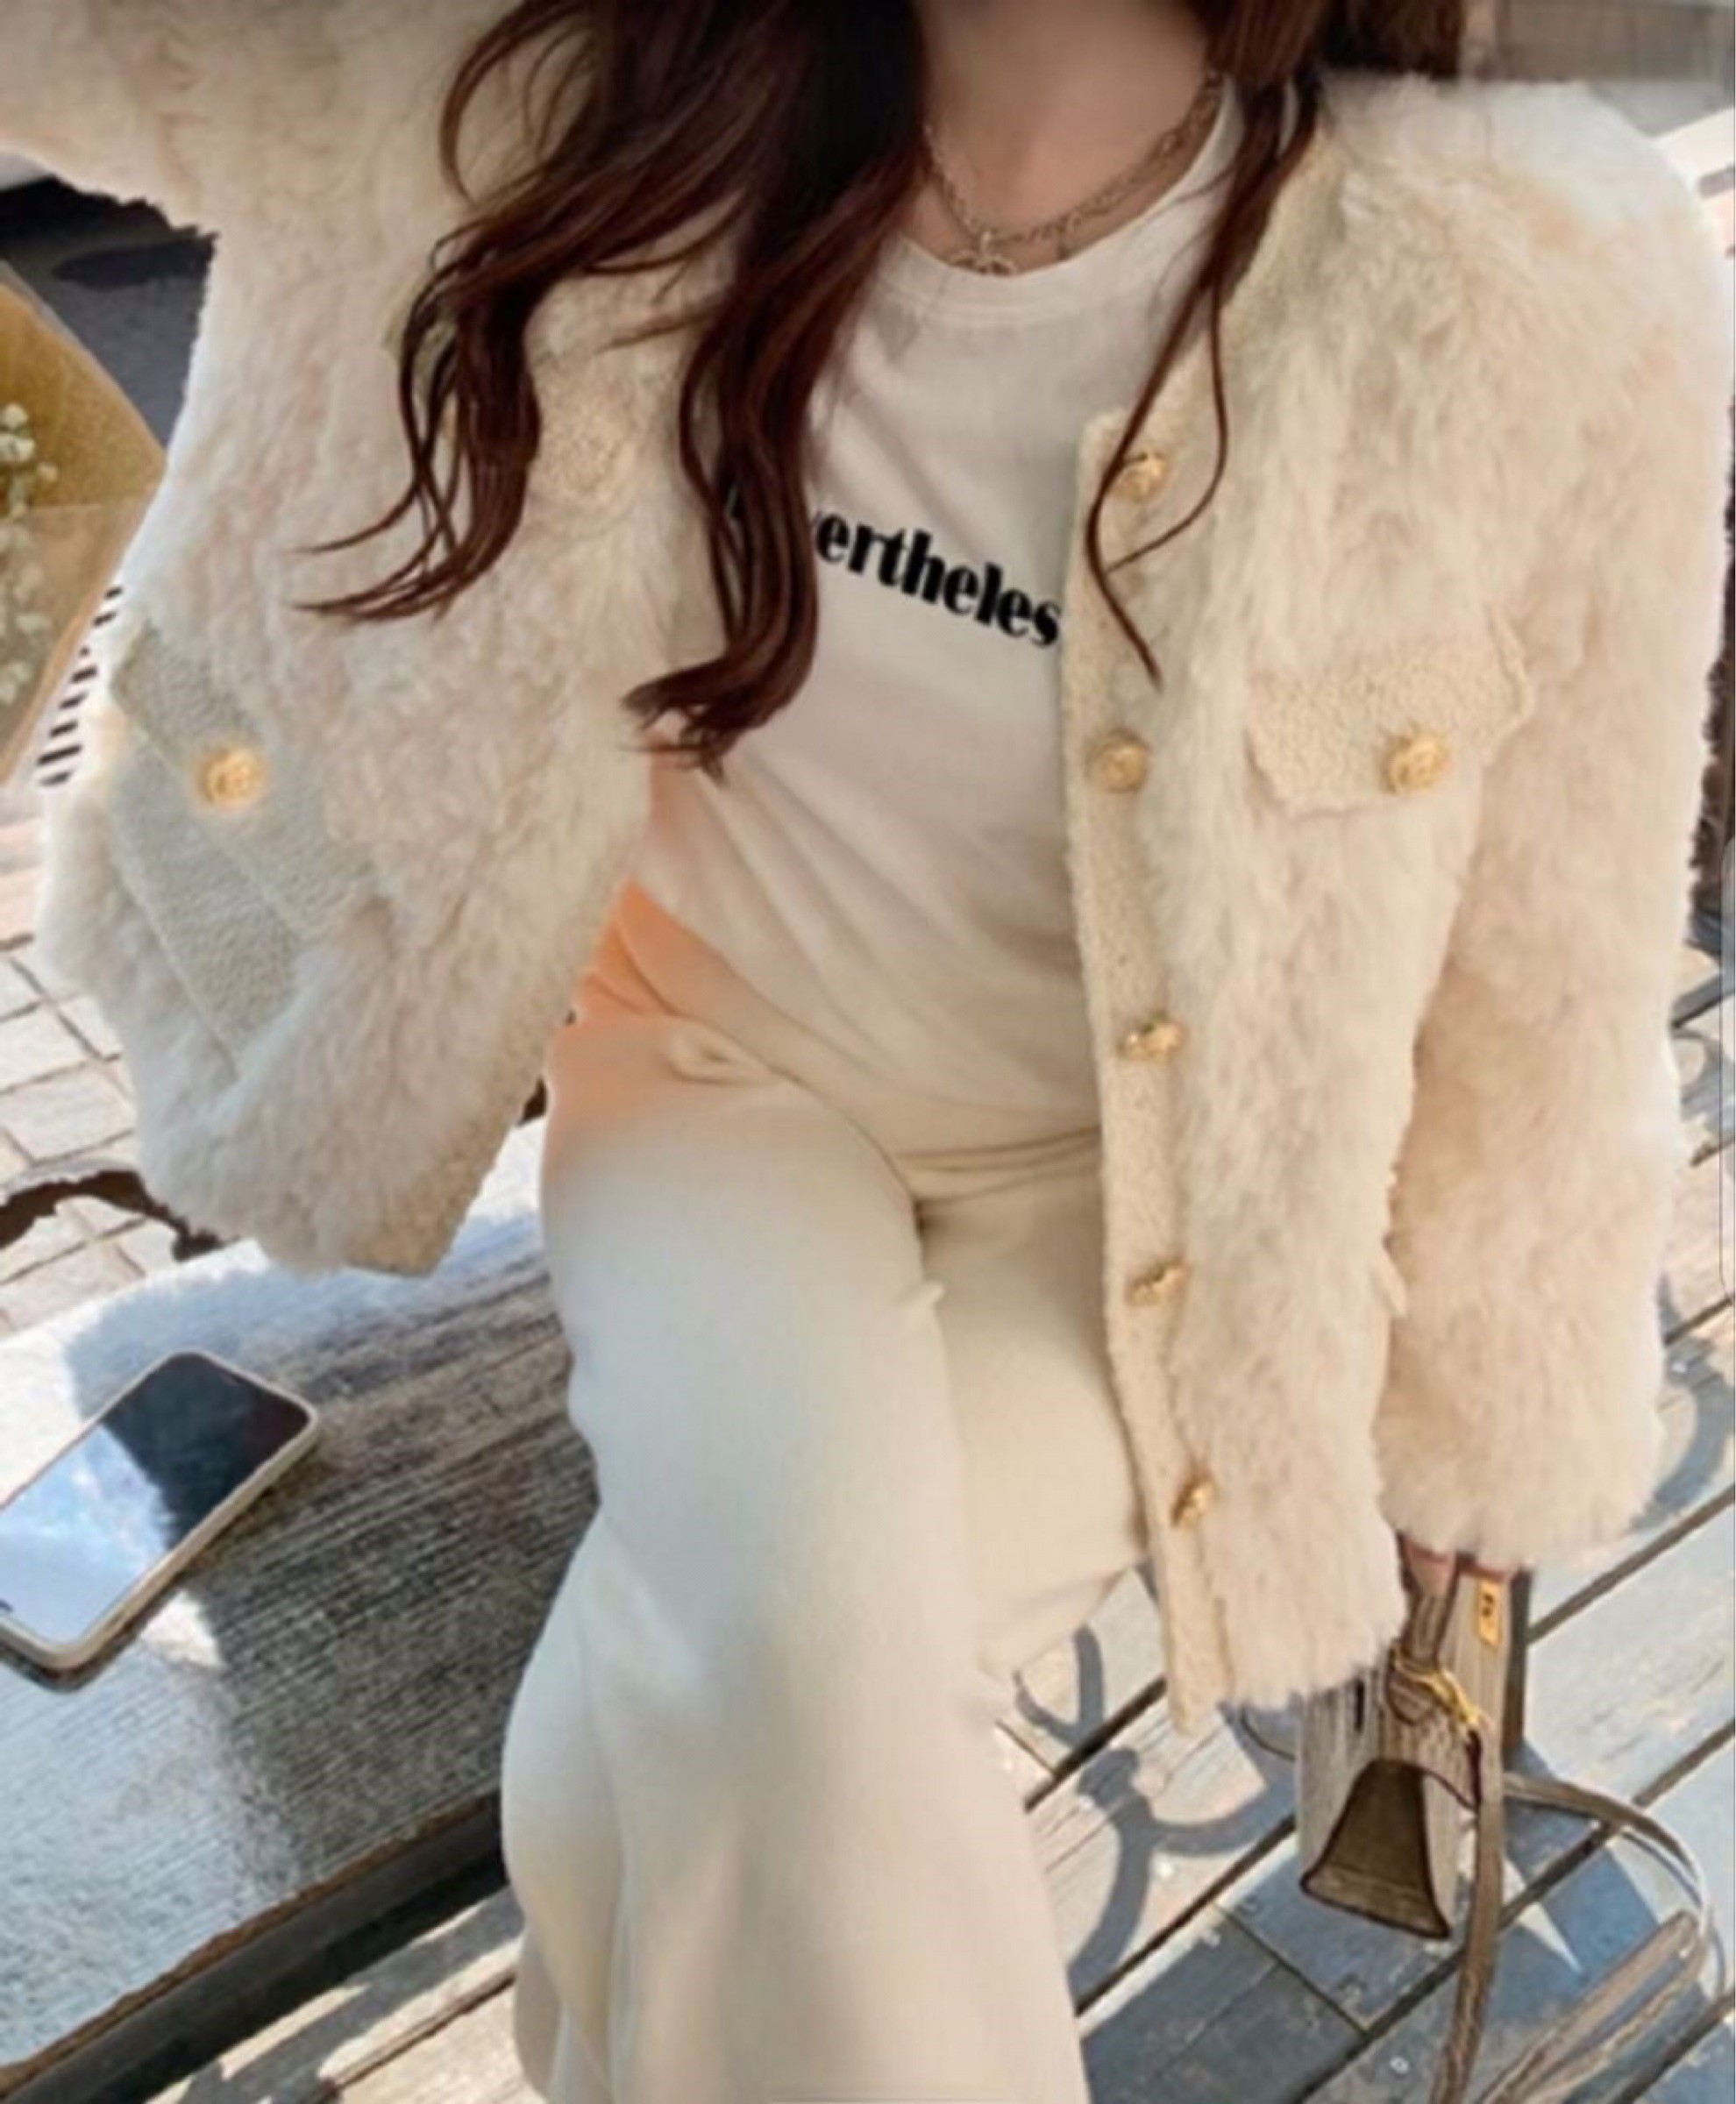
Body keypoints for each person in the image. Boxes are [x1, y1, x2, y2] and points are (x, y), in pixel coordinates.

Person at [2, 4, 1731, 2100]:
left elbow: (1561, 937)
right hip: (719, 1092)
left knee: (698, 1736)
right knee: (791, 1669)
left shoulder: (1531, 280)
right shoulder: (564, 90)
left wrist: (1484, 1422)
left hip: (1157, 1216)